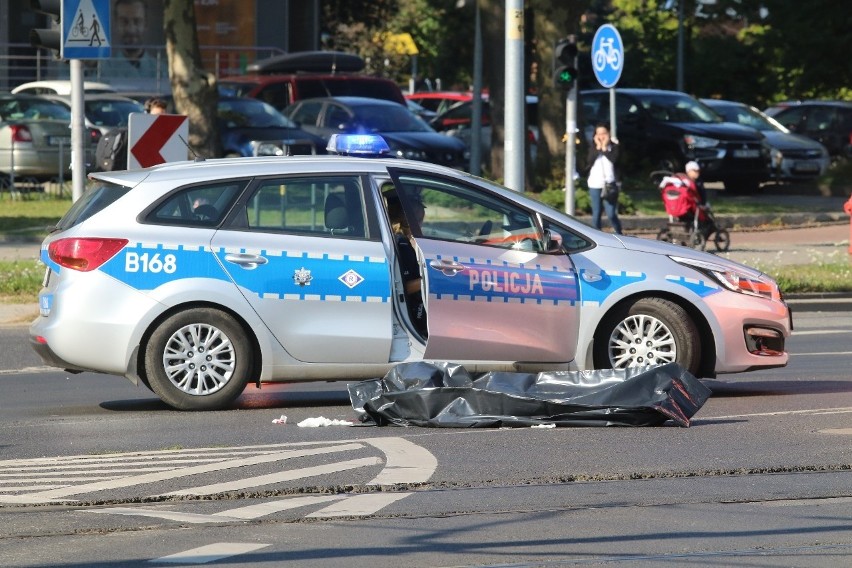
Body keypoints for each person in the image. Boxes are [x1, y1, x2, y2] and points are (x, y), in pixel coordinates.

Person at [386, 192, 427, 336]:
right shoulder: (402, 245)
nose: (422, 225)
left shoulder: (398, 241)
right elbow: (403, 287)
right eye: (421, 220)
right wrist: (430, 279)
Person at [97, 0, 159, 82]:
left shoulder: (163, 71)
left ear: (145, 24)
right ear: (116, 24)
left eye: (137, 21)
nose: (131, 29)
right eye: (124, 22)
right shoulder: (103, 72)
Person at [585, 123, 622, 234]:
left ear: (609, 134)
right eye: (599, 134)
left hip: (610, 184)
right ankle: (597, 235)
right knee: (596, 212)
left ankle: (619, 232)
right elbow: (589, 161)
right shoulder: (593, 147)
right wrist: (598, 147)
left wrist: (605, 147)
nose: (601, 136)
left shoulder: (615, 147)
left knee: (611, 213)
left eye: (604, 133)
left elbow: (614, 160)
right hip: (594, 184)